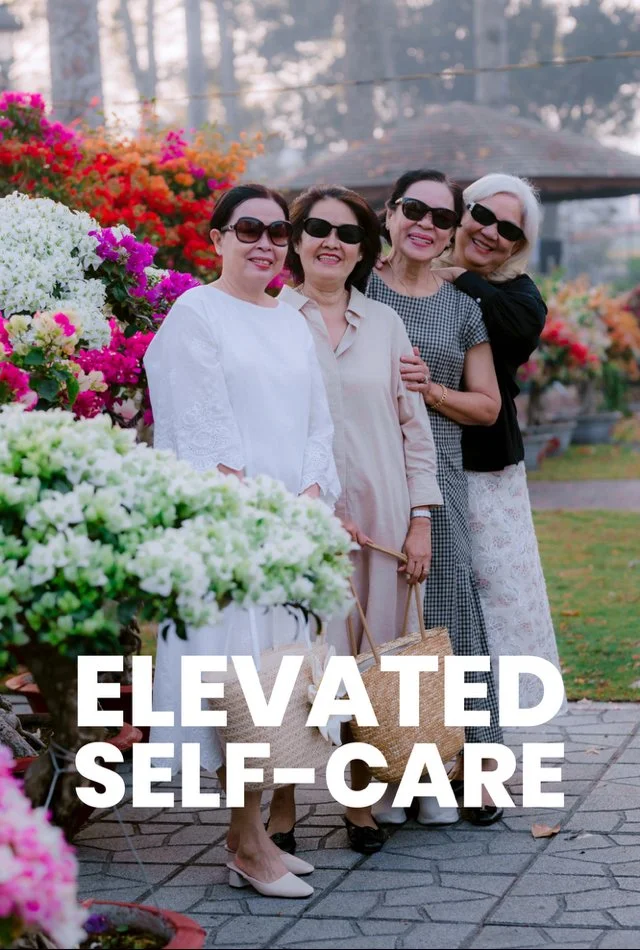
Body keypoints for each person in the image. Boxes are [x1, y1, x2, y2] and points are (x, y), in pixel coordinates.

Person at [144, 183, 340, 899]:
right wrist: (262, 518)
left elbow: (318, 425)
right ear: (217, 237)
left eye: (278, 231)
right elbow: (202, 433)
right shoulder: (196, 314)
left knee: (279, 690)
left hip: (290, 532)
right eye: (248, 228)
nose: (266, 242)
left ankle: (249, 835)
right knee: (240, 690)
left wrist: (311, 498)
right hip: (231, 539)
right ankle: (245, 844)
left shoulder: (291, 320)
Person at [269, 184, 443, 854]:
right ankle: (281, 806)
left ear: (364, 249)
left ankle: (361, 800)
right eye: (317, 228)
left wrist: (420, 520)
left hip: (385, 519)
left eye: (347, 233)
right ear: (295, 238)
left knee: (374, 663)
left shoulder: (386, 325)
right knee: (298, 664)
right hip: (298, 523)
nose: (330, 242)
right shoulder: (273, 318)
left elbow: (413, 429)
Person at [367, 168, 505, 826]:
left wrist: (432, 392)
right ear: (390, 214)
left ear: (452, 232)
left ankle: (473, 763)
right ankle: (386, 767)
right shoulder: (360, 290)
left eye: (442, 218)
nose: (426, 224)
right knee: (383, 620)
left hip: (441, 477)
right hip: (369, 472)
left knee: (453, 620)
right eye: (414, 210)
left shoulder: (462, 307)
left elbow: (487, 406)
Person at [432, 173, 566, 714]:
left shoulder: (520, 296)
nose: (489, 232)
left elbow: (511, 333)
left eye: (506, 228)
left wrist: (460, 275)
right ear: (461, 213)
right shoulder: (404, 278)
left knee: (494, 598)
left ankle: (490, 736)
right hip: (412, 456)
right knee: (431, 600)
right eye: (482, 216)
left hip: (484, 465)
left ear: (519, 243)